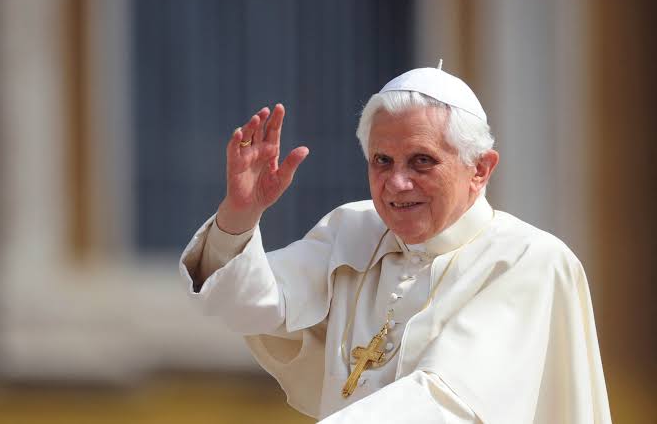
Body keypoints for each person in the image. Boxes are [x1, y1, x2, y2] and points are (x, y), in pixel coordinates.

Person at [179, 66, 612, 423]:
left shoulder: (527, 259)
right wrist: (240, 213)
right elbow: (241, 305)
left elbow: (448, 402)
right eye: (381, 161)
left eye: (421, 161)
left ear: (480, 169)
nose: (397, 182)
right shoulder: (352, 230)